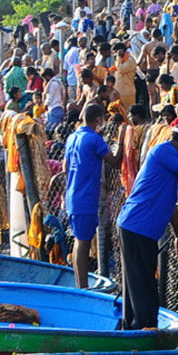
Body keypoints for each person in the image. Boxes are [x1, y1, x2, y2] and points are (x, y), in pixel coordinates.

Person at [115, 122, 178, 329]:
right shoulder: (164, 150)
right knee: (143, 283)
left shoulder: (168, 159)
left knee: (137, 280)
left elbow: (171, 203)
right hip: (137, 226)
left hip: (140, 227)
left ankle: (132, 326)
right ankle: (144, 327)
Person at [65, 103, 110, 290]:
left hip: (73, 196)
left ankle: (80, 284)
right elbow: (114, 161)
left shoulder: (72, 137)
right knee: (83, 243)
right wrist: (123, 143)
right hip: (85, 198)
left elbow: (65, 167)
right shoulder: (94, 139)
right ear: (98, 120)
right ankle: (82, 287)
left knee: (79, 241)